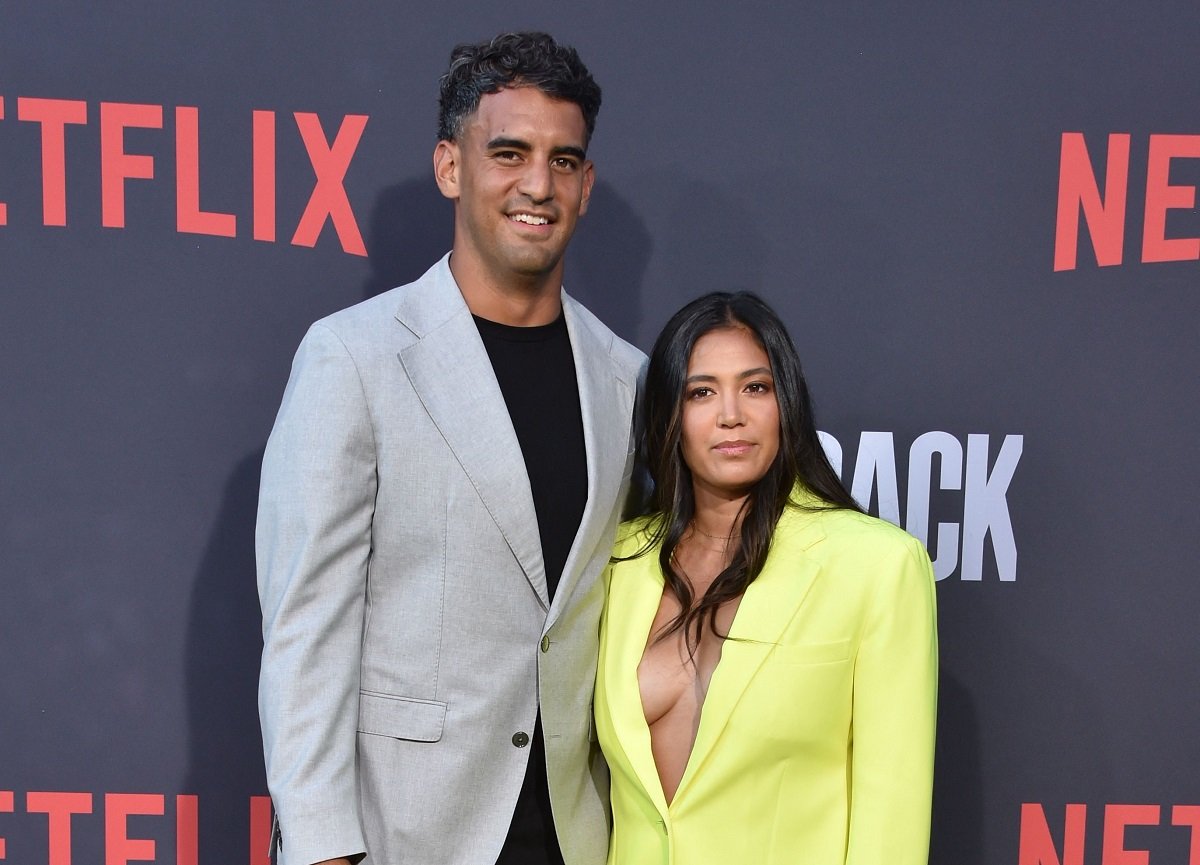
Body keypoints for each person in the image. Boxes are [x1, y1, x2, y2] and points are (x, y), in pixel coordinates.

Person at [257, 32, 644, 865]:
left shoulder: (628, 382)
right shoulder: (352, 357)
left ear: (586, 184)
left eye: (564, 160)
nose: (538, 184)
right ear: (450, 166)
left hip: (576, 839)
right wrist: (323, 848)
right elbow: (305, 628)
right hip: (404, 836)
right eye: (509, 152)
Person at [595, 292, 938, 864]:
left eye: (756, 387)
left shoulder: (876, 565)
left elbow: (892, 819)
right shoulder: (620, 560)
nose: (732, 413)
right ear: (669, 416)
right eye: (700, 391)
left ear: (787, 404)